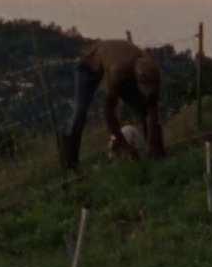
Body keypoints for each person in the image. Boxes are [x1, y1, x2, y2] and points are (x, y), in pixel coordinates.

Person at [59, 38, 166, 169]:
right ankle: (70, 163)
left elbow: (152, 107)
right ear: (136, 79)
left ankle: (157, 154)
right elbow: (109, 114)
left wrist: (152, 143)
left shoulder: (152, 71)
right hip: (90, 64)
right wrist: (125, 147)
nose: (147, 92)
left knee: (143, 108)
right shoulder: (118, 72)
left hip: (123, 66)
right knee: (80, 112)